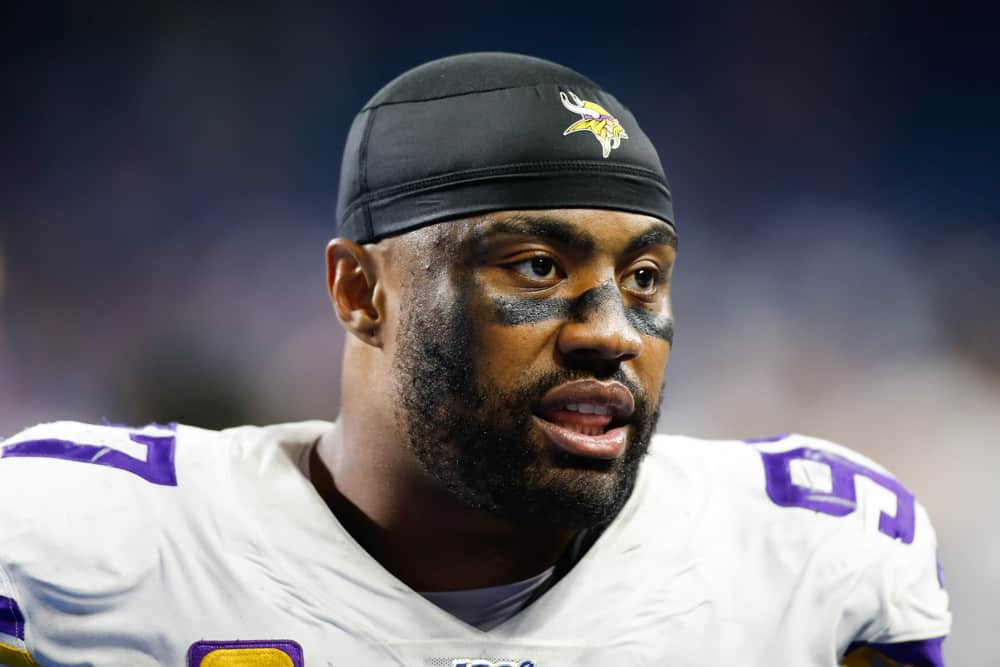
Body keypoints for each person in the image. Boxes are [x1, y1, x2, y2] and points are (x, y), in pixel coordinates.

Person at [0, 53, 950, 667]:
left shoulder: (809, 560)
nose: (611, 330)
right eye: (537, 265)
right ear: (360, 293)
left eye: (647, 276)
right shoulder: (75, 548)